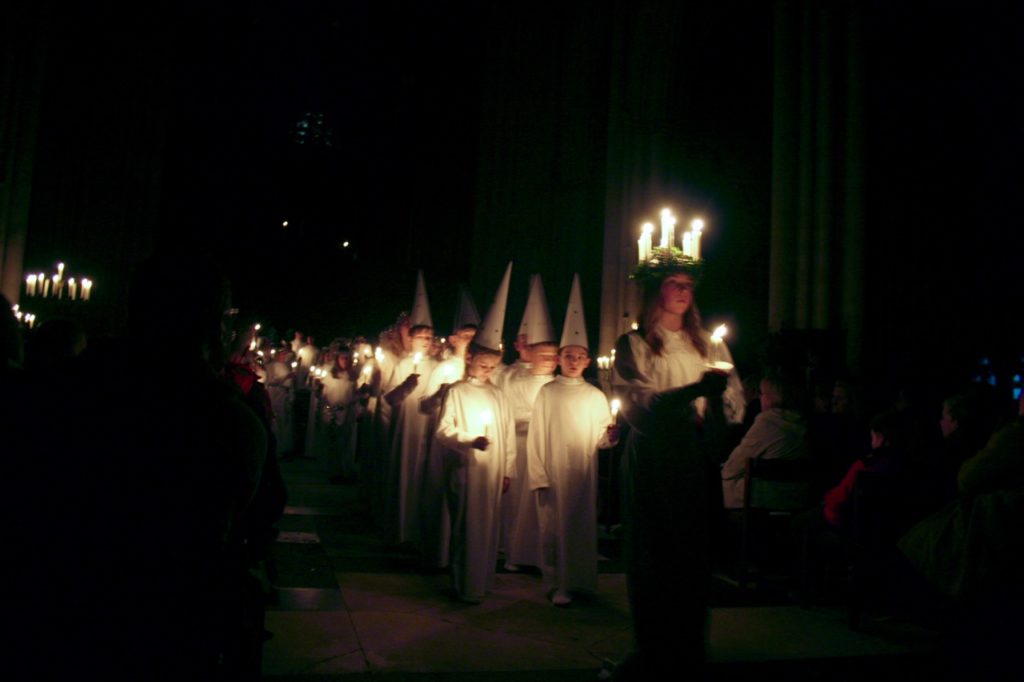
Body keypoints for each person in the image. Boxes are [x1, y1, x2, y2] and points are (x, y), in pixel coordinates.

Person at [612, 260, 744, 678]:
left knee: (692, 551)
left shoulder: (709, 346)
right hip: (654, 456)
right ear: (656, 291)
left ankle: (690, 647)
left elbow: (735, 402)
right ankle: (651, 647)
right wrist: (693, 392)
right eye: (673, 283)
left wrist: (713, 403)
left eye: (688, 284)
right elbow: (638, 401)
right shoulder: (635, 344)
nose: (683, 291)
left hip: (693, 455)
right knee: (652, 550)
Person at [527, 336, 620, 605]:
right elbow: (536, 435)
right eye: (569, 356)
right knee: (554, 529)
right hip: (553, 470)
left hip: (582, 472)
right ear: (559, 359)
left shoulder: (594, 395)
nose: (574, 361)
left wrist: (611, 437)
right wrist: (538, 474)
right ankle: (556, 583)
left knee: (580, 527)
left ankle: (580, 581)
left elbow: (601, 438)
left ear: (587, 362)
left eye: (580, 357)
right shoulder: (548, 392)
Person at [433, 343, 516, 603]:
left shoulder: (498, 394)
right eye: (483, 365)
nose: (487, 371)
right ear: (469, 359)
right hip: (466, 467)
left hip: (493, 468)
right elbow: (443, 430)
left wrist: (508, 470)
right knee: (466, 524)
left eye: (492, 367)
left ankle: (483, 581)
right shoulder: (456, 391)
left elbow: (508, 433)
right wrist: (471, 440)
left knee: (488, 525)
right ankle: (464, 584)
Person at [720, 373, 809, 510]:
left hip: (767, 495)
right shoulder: (802, 422)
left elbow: (733, 466)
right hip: (797, 495)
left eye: (762, 394)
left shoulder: (768, 422)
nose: (759, 398)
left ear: (772, 397)